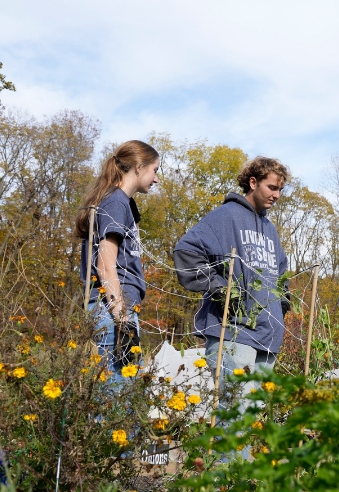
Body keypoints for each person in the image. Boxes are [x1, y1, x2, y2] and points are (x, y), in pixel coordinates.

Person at [174, 157, 291, 405]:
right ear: (253, 182)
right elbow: (187, 252)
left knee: (249, 420)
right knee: (233, 417)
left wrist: (281, 301)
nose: (277, 195)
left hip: (267, 336)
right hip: (233, 332)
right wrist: (216, 286)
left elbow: (281, 272)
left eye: (280, 189)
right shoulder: (225, 217)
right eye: (272, 187)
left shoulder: (270, 229)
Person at [76, 141, 160, 383]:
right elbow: (105, 264)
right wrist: (123, 319)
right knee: (118, 397)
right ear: (138, 166)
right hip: (112, 309)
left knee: (124, 393)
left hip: (114, 309)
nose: (156, 179)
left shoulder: (120, 202)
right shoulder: (116, 202)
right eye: (154, 170)